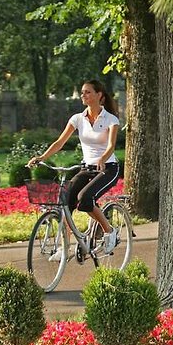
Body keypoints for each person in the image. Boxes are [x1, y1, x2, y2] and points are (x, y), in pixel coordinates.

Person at [28, 80, 121, 255]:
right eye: (82, 92)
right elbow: (59, 142)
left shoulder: (110, 119)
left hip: (108, 168)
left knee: (84, 199)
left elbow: (111, 146)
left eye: (87, 92)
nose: (83, 95)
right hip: (87, 168)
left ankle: (110, 231)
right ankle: (65, 248)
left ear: (99, 95)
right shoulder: (77, 119)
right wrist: (41, 157)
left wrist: (102, 158)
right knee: (66, 201)